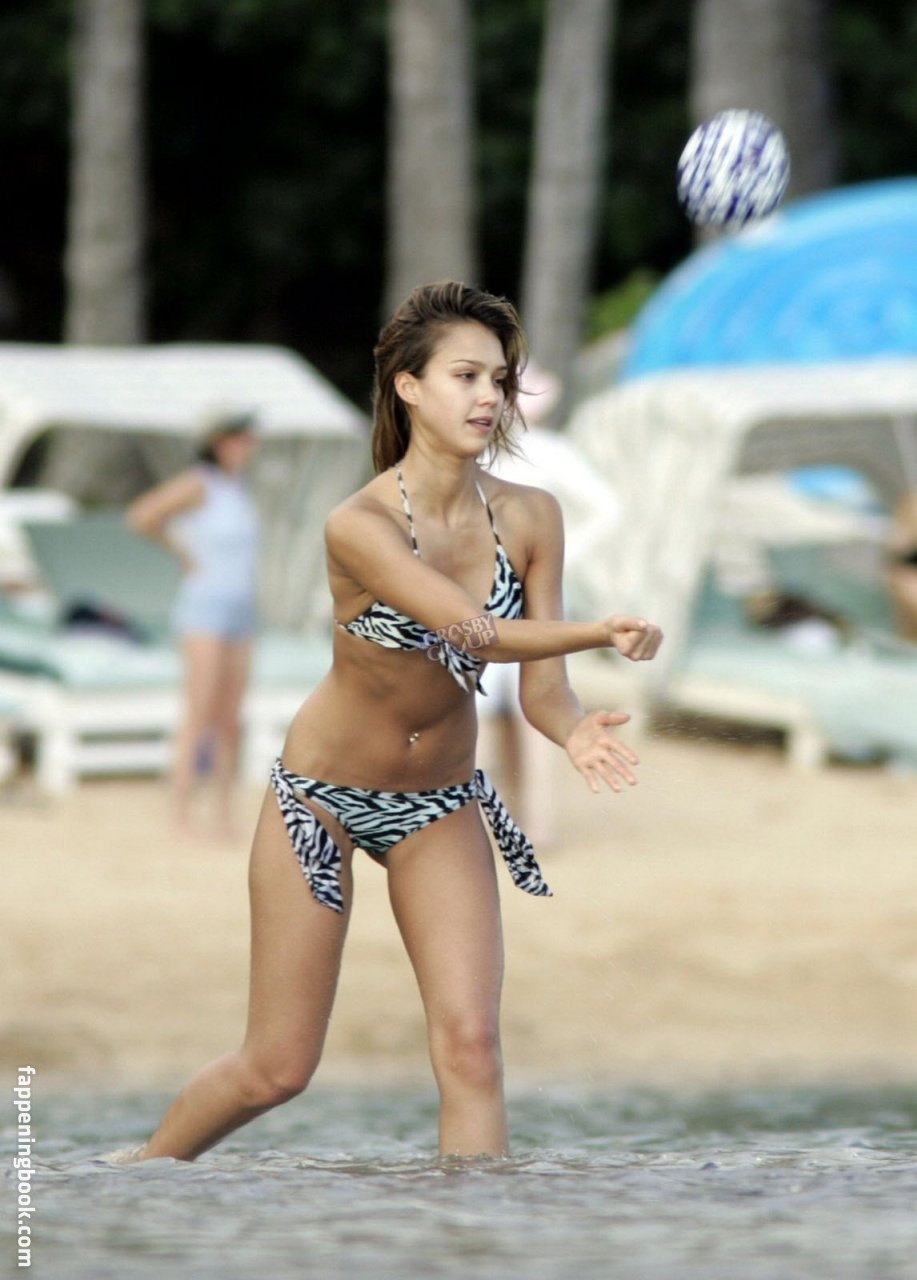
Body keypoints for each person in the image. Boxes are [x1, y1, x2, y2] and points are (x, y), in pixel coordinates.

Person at [130, 282, 662, 1163]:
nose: (488, 396)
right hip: (321, 797)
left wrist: (571, 729)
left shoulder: (531, 516)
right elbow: (471, 631)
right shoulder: (360, 524)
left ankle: (470, 1230)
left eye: (499, 379)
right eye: (466, 376)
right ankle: (141, 1176)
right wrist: (601, 628)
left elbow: (540, 689)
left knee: (472, 1049)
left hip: (440, 802)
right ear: (409, 387)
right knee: (276, 1069)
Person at [125, 408, 260, 839]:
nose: (247, 447)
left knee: (231, 717)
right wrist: (183, 553)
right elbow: (142, 516)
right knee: (199, 712)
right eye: (239, 439)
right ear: (220, 443)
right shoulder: (199, 483)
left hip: (241, 609)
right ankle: (180, 813)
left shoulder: (238, 488)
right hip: (204, 609)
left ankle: (222, 813)